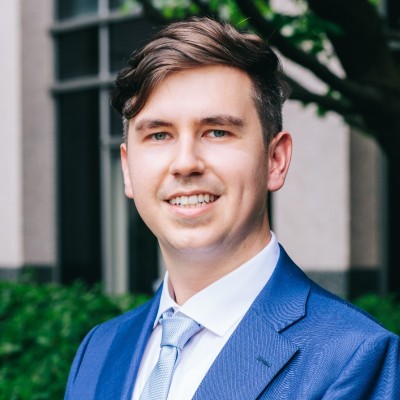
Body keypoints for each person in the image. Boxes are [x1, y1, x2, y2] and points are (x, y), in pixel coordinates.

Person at [65, 17, 400, 400]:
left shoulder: (354, 359)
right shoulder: (98, 350)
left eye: (217, 132)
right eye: (159, 135)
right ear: (127, 169)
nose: (185, 163)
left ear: (275, 160)